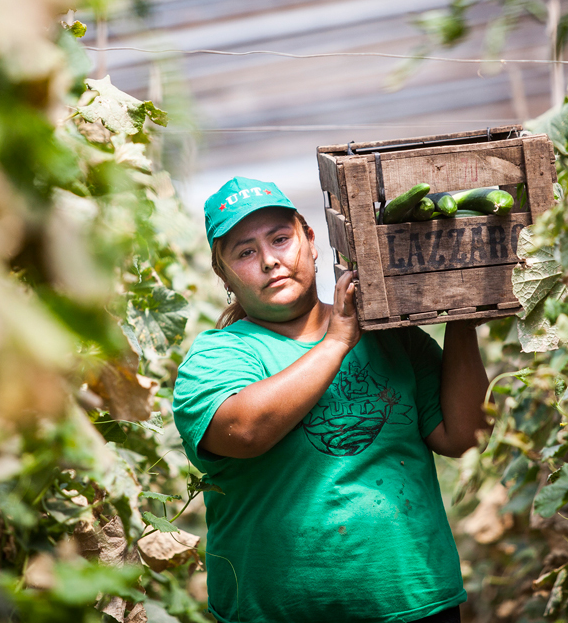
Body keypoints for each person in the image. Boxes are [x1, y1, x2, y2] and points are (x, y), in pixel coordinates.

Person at [173, 177, 491, 623]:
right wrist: (337, 339)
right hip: (276, 614)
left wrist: (461, 314)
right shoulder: (218, 356)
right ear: (224, 275)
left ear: (311, 240)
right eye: (244, 252)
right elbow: (245, 431)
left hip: (415, 603)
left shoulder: (393, 339)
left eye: (281, 239)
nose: (269, 261)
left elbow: (464, 436)